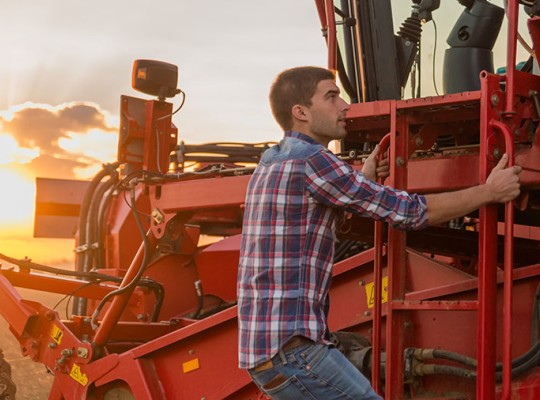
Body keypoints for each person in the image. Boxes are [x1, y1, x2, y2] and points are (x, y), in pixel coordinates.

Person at [237, 66, 521, 399]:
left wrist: (362, 179)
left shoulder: (272, 160)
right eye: (331, 97)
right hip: (296, 353)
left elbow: (309, 212)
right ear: (300, 112)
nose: (345, 106)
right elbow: (408, 211)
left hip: (269, 353)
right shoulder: (314, 161)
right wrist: (488, 193)